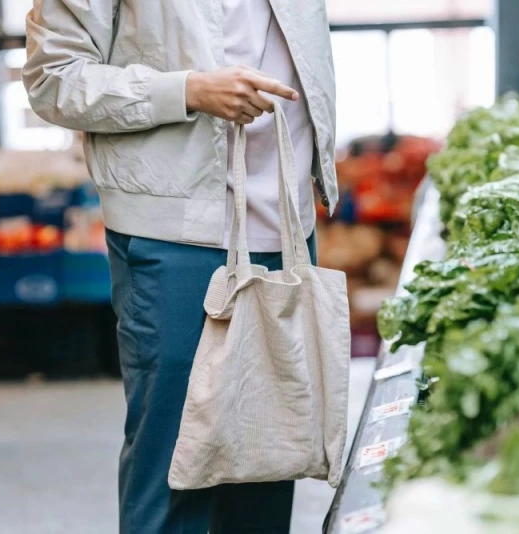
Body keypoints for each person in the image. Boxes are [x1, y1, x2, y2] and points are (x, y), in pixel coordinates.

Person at [22, 1, 337, 533]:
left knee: (268, 465)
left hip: (285, 224)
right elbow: (52, 79)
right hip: (174, 230)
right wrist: (186, 90)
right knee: (174, 471)